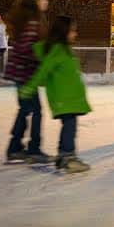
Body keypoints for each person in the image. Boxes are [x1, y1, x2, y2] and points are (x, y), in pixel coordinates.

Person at [20, 16, 91, 173]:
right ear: (64, 32)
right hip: (64, 99)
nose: (75, 34)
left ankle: (62, 157)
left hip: (70, 98)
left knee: (69, 125)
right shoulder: (57, 50)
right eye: (72, 31)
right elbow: (43, 71)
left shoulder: (65, 50)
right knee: (70, 126)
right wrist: (29, 87)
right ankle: (67, 156)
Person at [4, 0, 51, 163]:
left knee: (25, 110)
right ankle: (33, 149)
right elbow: (26, 48)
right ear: (35, 2)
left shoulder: (30, 20)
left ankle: (15, 147)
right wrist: (42, 59)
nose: (46, 2)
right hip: (24, 75)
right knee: (35, 111)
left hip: (22, 74)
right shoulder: (32, 22)